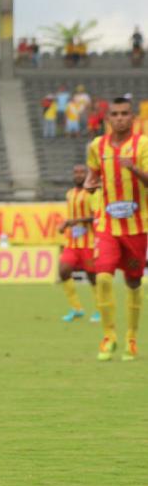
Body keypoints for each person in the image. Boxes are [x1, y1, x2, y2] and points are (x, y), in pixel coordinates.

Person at [83, 97, 148, 361]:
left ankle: (131, 338)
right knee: (103, 277)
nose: (120, 118)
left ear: (132, 117)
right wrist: (89, 184)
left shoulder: (143, 144)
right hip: (107, 224)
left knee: (133, 281)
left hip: (136, 226)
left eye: (124, 113)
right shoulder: (97, 146)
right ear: (108, 118)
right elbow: (92, 177)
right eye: (115, 114)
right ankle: (109, 336)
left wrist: (133, 168)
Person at [58, 164, 99, 323]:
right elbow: (71, 216)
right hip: (72, 243)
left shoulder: (93, 193)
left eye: (82, 172)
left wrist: (75, 221)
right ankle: (76, 308)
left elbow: (97, 216)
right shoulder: (69, 194)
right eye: (76, 172)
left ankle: (100, 309)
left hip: (89, 243)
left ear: (87, 175)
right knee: (63, 272)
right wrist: (65, 225)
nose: (79, 175)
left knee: (92, 276)